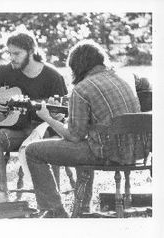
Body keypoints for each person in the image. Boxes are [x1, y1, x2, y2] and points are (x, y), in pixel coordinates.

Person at [25, 39, 141, 218]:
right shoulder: (121, 79)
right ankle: (82, 209)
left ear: (77, 66)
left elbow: (74, 136)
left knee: (32, 151)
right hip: (135, 151)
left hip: (108, 153)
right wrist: (61, 119)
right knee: (88, 145)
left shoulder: (82, 88)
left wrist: (47, 118)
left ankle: (54, 210)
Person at [0, 30, 68, 203]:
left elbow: (62, 113)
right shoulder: (7, 71)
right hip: (17, 131)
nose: (12, 58)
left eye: (17, 53)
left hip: (42, 131)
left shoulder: (52, 76)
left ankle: (51, 202)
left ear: (31, 51)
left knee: (44, 144)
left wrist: (52, 114)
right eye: (10, 53)